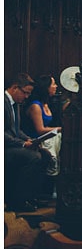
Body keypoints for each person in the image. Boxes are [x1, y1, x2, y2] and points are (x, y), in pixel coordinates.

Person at [4, 74, 49, 211]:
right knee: (33, 157)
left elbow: (16, 129)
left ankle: (32, 196)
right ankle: (18, 201)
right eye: (26, 93)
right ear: (15, 88)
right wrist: (23, 144)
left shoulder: (15, 103)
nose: (27, 96)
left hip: (12, 145)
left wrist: (29, 139)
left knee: (45, 155)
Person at [22, 74, 62, 177]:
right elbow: (40, 129)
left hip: (47, 138)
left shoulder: (47, 103)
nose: (56, 86)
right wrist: (59, 129)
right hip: (36, 139)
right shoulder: (36, 106)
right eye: (53, 84)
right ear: (46, 87)